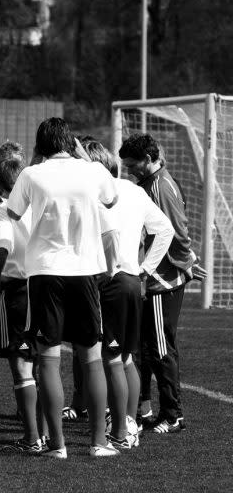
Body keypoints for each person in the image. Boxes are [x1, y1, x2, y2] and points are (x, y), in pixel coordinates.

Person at [7, 117, 119, 458]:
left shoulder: (31, 174)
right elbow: (112, 200)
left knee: (48, 359)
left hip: (44, 273)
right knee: (92, 358)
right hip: (85, 271)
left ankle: (57, 445)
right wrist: (84, 158)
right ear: (71, 143)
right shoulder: (92, 171)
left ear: (40, 145)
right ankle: (99, 442)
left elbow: (13, 213)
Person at [81, 139, 174, 448]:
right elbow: (164, 230)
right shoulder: (136, 191)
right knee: (125, 358)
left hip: (111, 280)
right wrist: (145, 268)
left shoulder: (91, 193)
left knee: (109, 357)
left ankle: (121, 430)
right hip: (132, 281)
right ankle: (129, 423)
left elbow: (166, 231)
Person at [119, 133, 206, 434]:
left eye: (132, 165)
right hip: (155, 278)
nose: (129, 171)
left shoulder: (159, 187)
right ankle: (145, 409)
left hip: (161, 281)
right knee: (145, 347)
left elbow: (176, 233)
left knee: (160, 347)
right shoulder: (152, 184)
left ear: (147, 159)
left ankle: (173, 415)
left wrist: (186, 262)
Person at [0, 141, 45, 453]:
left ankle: (32, 437)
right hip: (50, 284)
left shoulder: (4, 208)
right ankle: (51, 434)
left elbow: (3, 247)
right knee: (46, 361)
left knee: (22, 365)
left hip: (17, 290)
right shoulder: (43, 201)